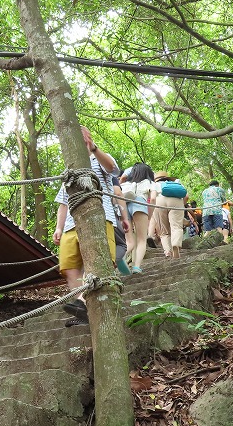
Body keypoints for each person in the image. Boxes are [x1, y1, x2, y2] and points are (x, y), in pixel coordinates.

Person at [54, 126, 128, 327]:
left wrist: (93, 148)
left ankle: (82, 302)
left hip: (100, 216)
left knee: (98, 260)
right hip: (71, 222)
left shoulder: (99, 159)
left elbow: (113, 168)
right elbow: (63, 201)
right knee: (70, 267)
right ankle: (82, 308)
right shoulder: (68, 169)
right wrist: (58, 227)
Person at [120, 163, 156, 273]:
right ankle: (136, 267)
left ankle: (120, 258)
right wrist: (149, 215)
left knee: (129, 241)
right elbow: (153, 199)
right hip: (140, 205)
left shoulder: (127, 183)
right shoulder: (150, 182)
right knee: (141, 240)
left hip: (125, 206)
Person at [152, 172, 188, 258]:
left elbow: (152, 198)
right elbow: (186, 196)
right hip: (176, 201)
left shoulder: (155, 184)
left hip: (159, 202)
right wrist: (181, 205)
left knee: (164, 231)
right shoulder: (177, 183)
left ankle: (168, 251)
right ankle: (175, 244)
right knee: (176, 227)